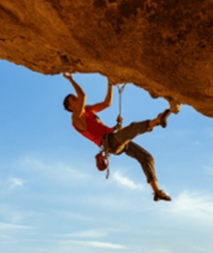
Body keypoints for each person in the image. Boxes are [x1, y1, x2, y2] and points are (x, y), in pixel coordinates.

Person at [62, 73, 178, 202]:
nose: (77, 98)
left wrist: (110, 83)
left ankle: (157, 192)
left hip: (114, 138)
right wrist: (71, 80)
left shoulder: (88, 110)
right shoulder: (76, 118)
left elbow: (107, 103)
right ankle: (157, 120)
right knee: (132, 129)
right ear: (70, 107)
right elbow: (83, 96)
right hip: (110, 143)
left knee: (147, 157)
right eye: (74, 99)